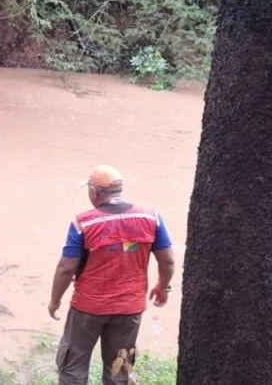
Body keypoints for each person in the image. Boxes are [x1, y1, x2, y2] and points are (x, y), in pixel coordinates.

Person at [48, 165, 175, 385]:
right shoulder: (150, 217)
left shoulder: (84, 223)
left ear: (94, 192)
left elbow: (66, 269)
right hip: (129, 308)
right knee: (119, 371)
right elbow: (168, 260)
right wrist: (163, 287)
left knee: (73, 367)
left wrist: (55, 300)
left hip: (88, 308)